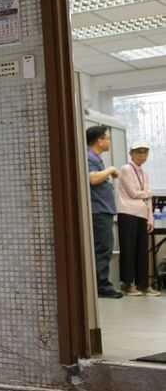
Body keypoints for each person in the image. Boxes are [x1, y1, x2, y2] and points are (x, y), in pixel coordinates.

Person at [117, 141, 160, 297]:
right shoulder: (126, 169)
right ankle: (128, 285)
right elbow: (134, 193)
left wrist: (150, 219)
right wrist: (148, 193)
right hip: (127, 213)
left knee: (143, 251)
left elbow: (148, 199)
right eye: (138, 152)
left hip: (142, 214)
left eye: (145, 153)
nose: (142, 156)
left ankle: (143, 285)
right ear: (131, 153)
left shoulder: (144, 173)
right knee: (128, 250)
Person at [87, 125, 124, 300]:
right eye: (107, 138)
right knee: (103, 248)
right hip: (98, 211)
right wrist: (110, 170)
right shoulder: (89, 156)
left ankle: (100, 284)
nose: (109, 141)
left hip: (103, 210)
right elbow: (92, 178)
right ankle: (101, 285)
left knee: (104, 248)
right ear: (99, 140)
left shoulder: (96, 158)